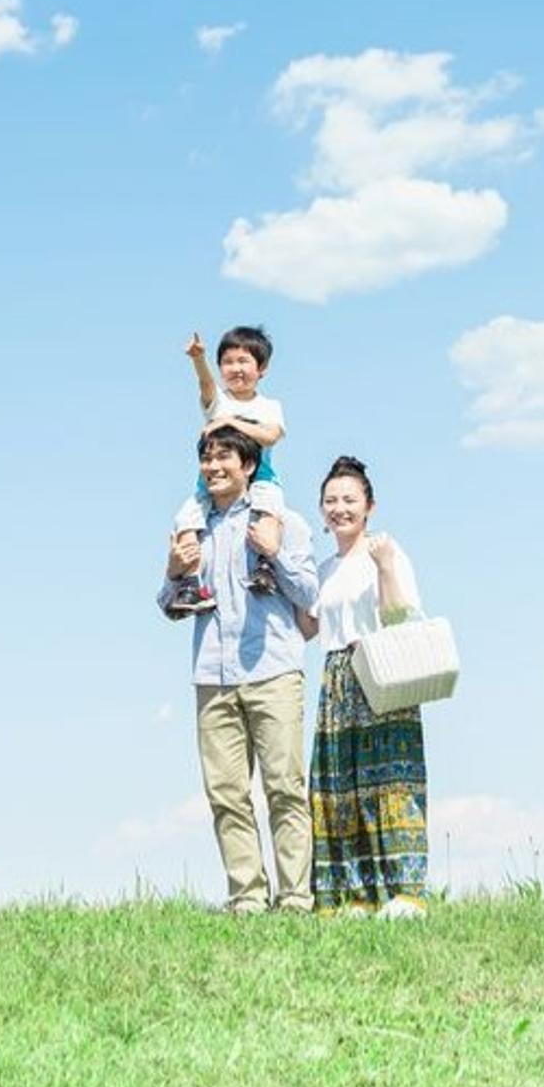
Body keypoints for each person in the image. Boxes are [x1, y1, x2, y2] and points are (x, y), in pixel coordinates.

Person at [159, 422, 320, 914]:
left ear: (249, 465)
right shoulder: (192, 527)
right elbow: (169, 606)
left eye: (223, 456)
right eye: (206, 458)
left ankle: (295, 898)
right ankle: (247, 897)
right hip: (212, 675)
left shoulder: (283, 521)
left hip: (273, 670)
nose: (213, 466)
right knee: (226, 793)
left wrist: (274, 553)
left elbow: (309, 593)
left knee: (284, 787)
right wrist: (173, 572)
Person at [301, 456, 430, 919]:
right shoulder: (322, 568)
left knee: (390, 780)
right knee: (341, 786)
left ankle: (405, 892)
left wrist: (386, 566)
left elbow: (399, 615)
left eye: (349, 500)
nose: (340, 508)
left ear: (369, 506)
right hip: (337, 678)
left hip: (381, 669)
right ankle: (352, 893)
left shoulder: (386, 552)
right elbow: (307, 628)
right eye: (331, 500)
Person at [169, 326, 287, 612]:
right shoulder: (218, 403)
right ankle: (190, 584)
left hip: (261, 477)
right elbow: (205, 385)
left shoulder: (269, 406)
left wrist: (230, 422)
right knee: (186, 519)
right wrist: (198, 359)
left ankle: (265, 567)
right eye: (228, 362)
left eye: (244, 361)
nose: (236, 368)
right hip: (212, 483)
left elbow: (271, 436)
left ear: (262, 369)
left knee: (270, 510)